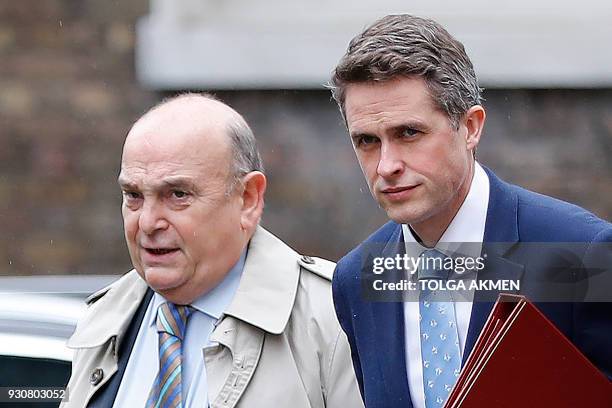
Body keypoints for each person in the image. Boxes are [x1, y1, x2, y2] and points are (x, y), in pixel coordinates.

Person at [329, 14, 612, 408]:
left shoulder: (583, 252)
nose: (386, 165)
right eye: (366, 141)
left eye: (408, 133)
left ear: (471, 127)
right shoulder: (353, 279)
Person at [61, 94, 364, 408]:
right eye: (133, 195)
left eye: (177, 194)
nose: (148, 222)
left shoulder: (335, 317)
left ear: (248, 198)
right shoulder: (104, 318)